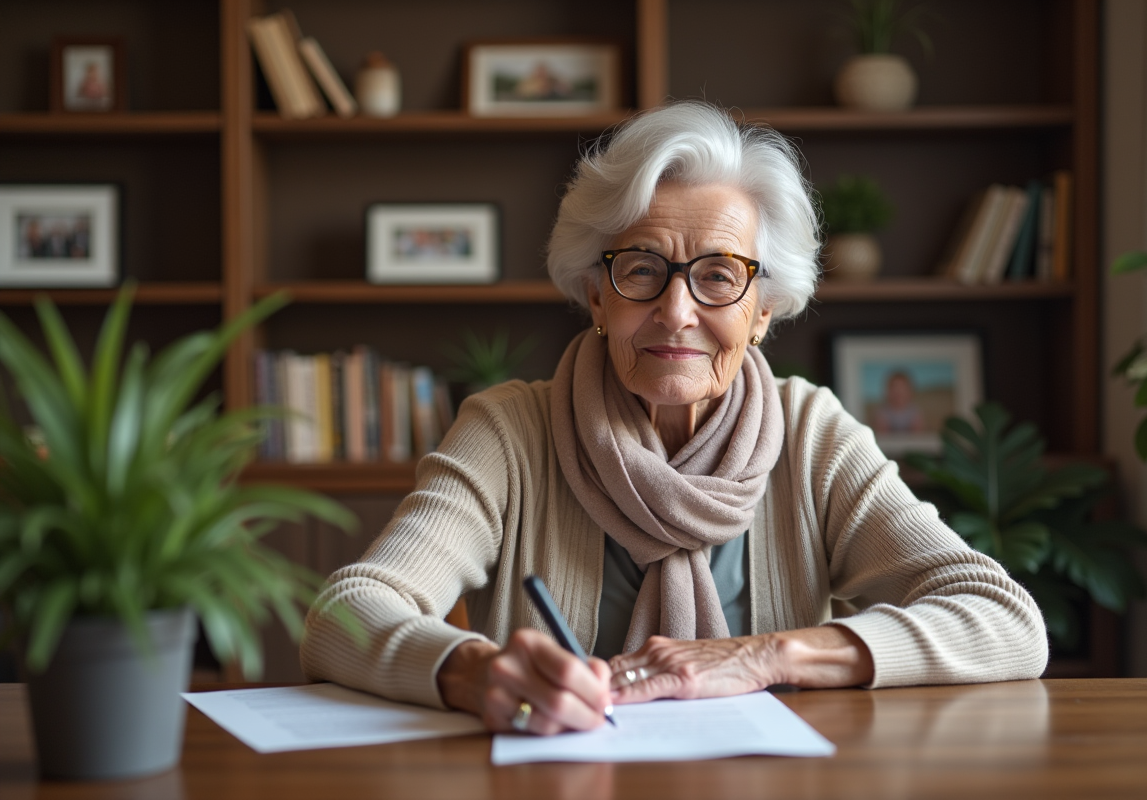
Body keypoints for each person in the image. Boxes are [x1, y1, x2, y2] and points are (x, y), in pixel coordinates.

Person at [300, 101, 1048, 736]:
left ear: (763, 311)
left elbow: (1004, 619)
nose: (677, 312)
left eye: (719, 275)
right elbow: (347, 614)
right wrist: (472, 671)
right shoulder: (509, 434)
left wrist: (766, 656)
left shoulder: (813, 435)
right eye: (642, 269)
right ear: (598, 295)